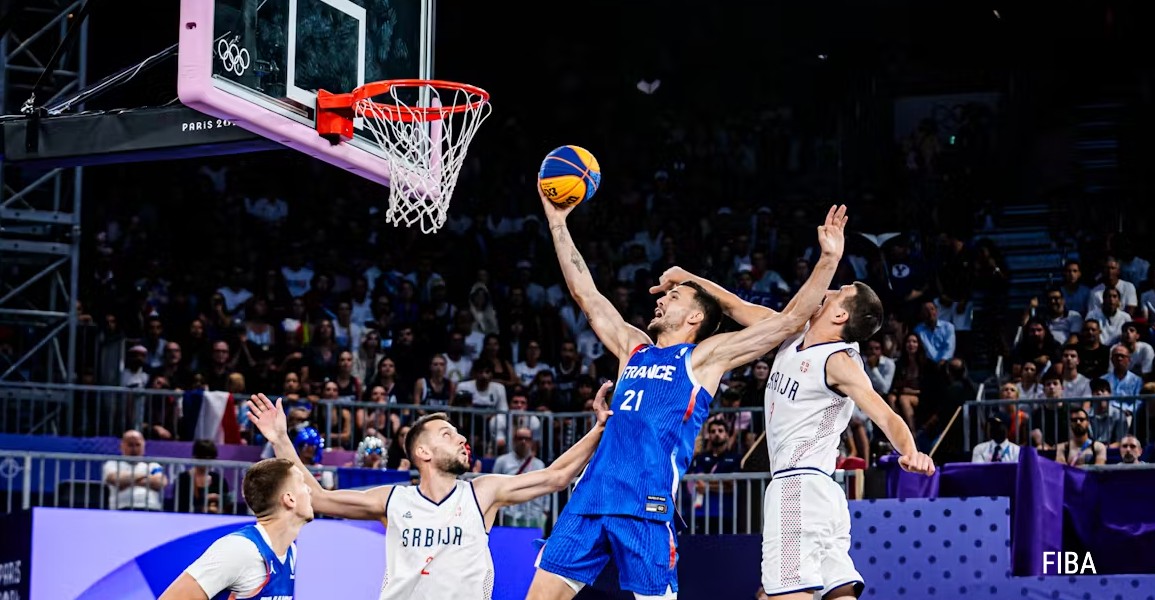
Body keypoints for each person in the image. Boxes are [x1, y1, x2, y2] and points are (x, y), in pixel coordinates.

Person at [528, 195, 854, 600]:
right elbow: (586, 296)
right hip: (590, 497)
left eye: (674, 297)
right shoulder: (634, 347)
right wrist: (558, 222)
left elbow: (788, 321)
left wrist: (828, 259)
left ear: (696, 317)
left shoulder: (704, 358)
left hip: (645, 507)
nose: (660, 298)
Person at [651, 267, 935, 600]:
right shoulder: (792, 331)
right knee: (838, 592)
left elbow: (885, 414)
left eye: (837, 291)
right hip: (824, 491)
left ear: (840, 314)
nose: (826, 291)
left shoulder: (839, 360)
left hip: (797, 485)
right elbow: (730, 304)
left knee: (785, 593)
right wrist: (686, 276)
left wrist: (910, 450)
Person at [246, 382, 613, 600]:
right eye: (447, 435)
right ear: (422, 452)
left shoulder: (482, 493)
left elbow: (555, 476)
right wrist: (280, 439)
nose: (462, 438)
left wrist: (598, 428)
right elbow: (319, 498)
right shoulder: (392, 499)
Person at [159, 458, 314, 600]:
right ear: (289, 499)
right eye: (302, 483)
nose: (310, 490)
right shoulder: (240, 550)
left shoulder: (290, 551)